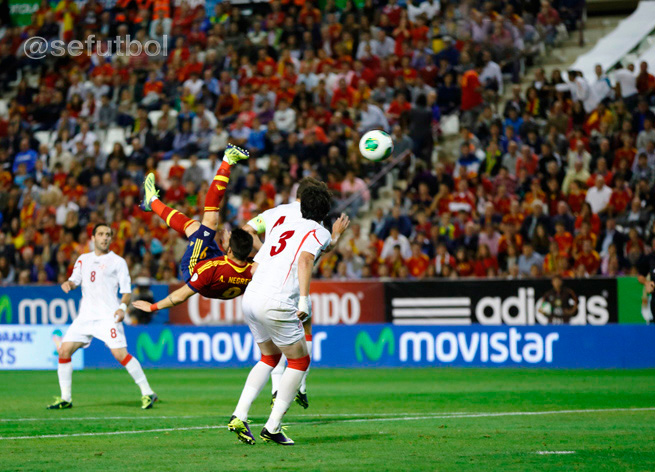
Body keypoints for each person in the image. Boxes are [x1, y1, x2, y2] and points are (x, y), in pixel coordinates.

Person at [228, 185, 338, 446]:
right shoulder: (319, 231)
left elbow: (256, 264)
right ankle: (273, 426)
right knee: (299, 361)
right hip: (276, 301)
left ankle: (239, 415)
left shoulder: (282, 227)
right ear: (325, 212)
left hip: (251, 296)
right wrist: (303, 299)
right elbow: (306, 259)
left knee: (269, 357)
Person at [243, 177, 350, 409]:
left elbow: (246, 230)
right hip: (289, 282)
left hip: (265, 282)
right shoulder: (313, 219)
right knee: (302, 331)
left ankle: (277, 389)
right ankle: (298, 386)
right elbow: (314, 251)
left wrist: (266, 252)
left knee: (274, 348)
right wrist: (335, 236)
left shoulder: (276, 212)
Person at [48, 223, 157, 410]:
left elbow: (126, 291)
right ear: (93, 238)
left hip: (108, 316)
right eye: (100, 234)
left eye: (108, 234)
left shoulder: (118, 262)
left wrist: (122, 308)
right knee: (64, 351)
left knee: (120, 354)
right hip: (85, 317)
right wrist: (68, 284)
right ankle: (66, 398)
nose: (105, 237)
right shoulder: (83, 259)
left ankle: (148, 392)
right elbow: (75, 280)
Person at [133, 144, 254, 309]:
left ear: (230, 251)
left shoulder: (209, 269)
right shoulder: (253, 269)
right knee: (195, 227)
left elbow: (181, 295)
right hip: (218, 270)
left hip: (194, 266)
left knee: (210, 223)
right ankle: (151, 202)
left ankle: (227, 160)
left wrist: (152, 307)